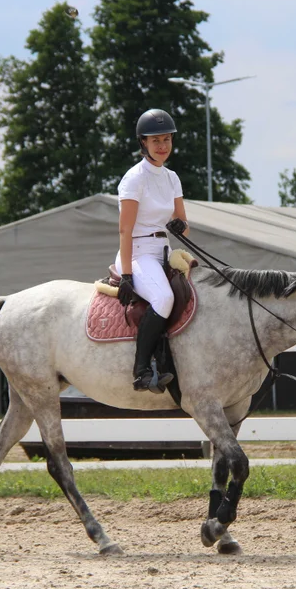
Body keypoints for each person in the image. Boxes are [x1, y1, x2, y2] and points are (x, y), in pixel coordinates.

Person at [116, 108, 189, 393]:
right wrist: (126, 273)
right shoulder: (134, 178)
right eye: (155, 140)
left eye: (166, 140)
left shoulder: (172, 178)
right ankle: (141, 371)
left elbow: (183, 224)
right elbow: (125, 230)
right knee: (163, 297)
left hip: (165, 250)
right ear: (143, 143)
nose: (162, 146)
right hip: (138, 251)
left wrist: (181, 225)